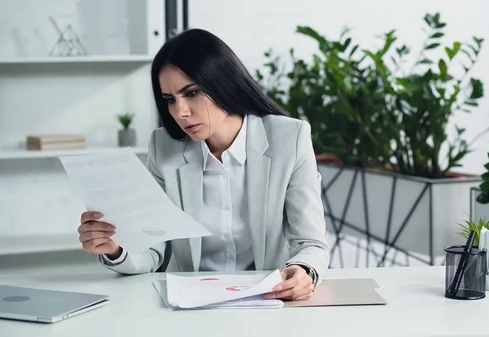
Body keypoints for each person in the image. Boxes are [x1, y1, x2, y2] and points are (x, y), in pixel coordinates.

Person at [76, 28, 330, 301]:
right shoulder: (164, 148)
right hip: (191, 305)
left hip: (268, 299)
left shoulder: (289, 139)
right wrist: (115, 248)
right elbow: (152, 252)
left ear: (224, 83)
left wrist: (303, 270)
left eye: (192, 93)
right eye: (170, 100)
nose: (180, 112)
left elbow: (311, 243)